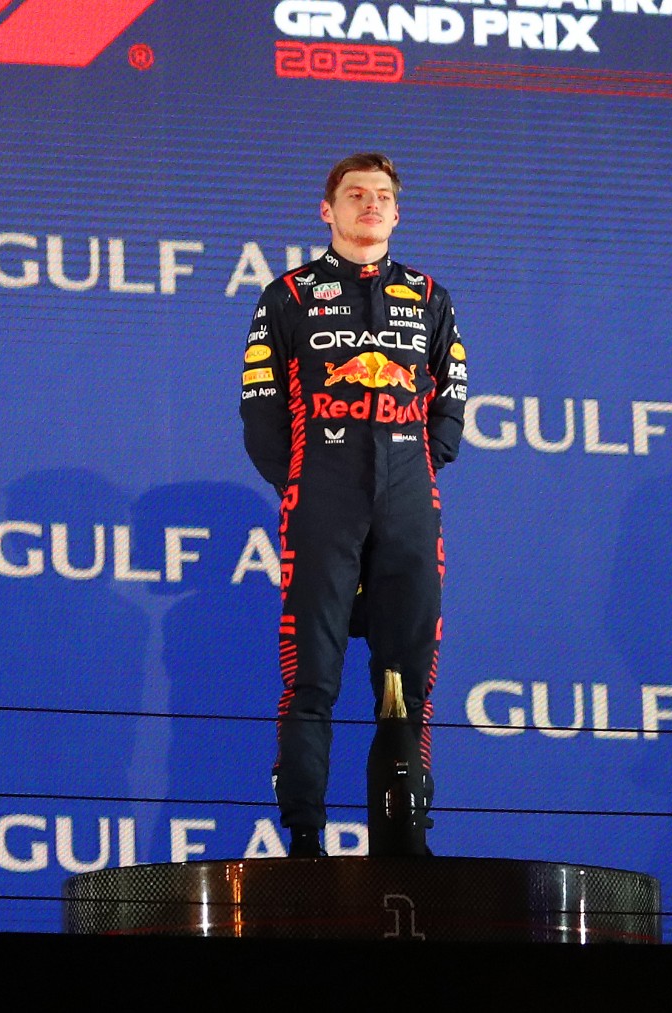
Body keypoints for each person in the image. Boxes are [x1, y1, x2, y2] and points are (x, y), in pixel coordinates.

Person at [239, 153, 468, 857]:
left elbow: (450, 404)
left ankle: (404, 835)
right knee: (311, 673)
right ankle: (304, 835)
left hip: (408, 500)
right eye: (354, 195)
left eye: (382, 197)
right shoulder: (288, 295)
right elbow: (260, 415)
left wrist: (414, 465)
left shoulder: (429, 294)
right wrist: (310, 485)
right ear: (327, 210)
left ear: (397, 213)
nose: (370, 205)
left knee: (407, 676)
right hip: (322, 498)